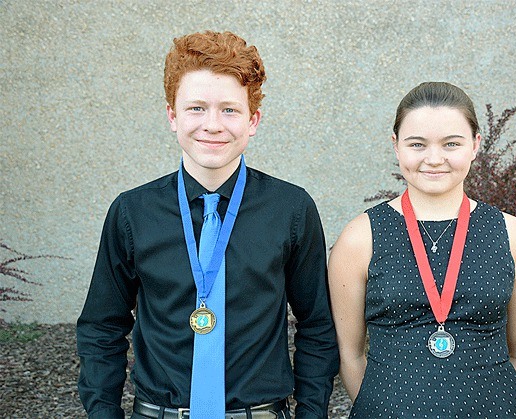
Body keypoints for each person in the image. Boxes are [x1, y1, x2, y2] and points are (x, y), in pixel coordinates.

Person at [77, 30, 339, 419]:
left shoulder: (291, 209)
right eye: (196, 108)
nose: (213, 125)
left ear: (253, 121)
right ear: (172, 116)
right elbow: (102, 327)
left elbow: (317, 324)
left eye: (230, 110)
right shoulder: (132, 212)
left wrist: (311, 413)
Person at [328, 82, 516, 418]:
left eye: (451, 144)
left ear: (475, 145)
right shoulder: (360, 237)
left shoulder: (513, 235)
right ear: (396, 146)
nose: (434, 158)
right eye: (417, 144)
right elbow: (350, 356)